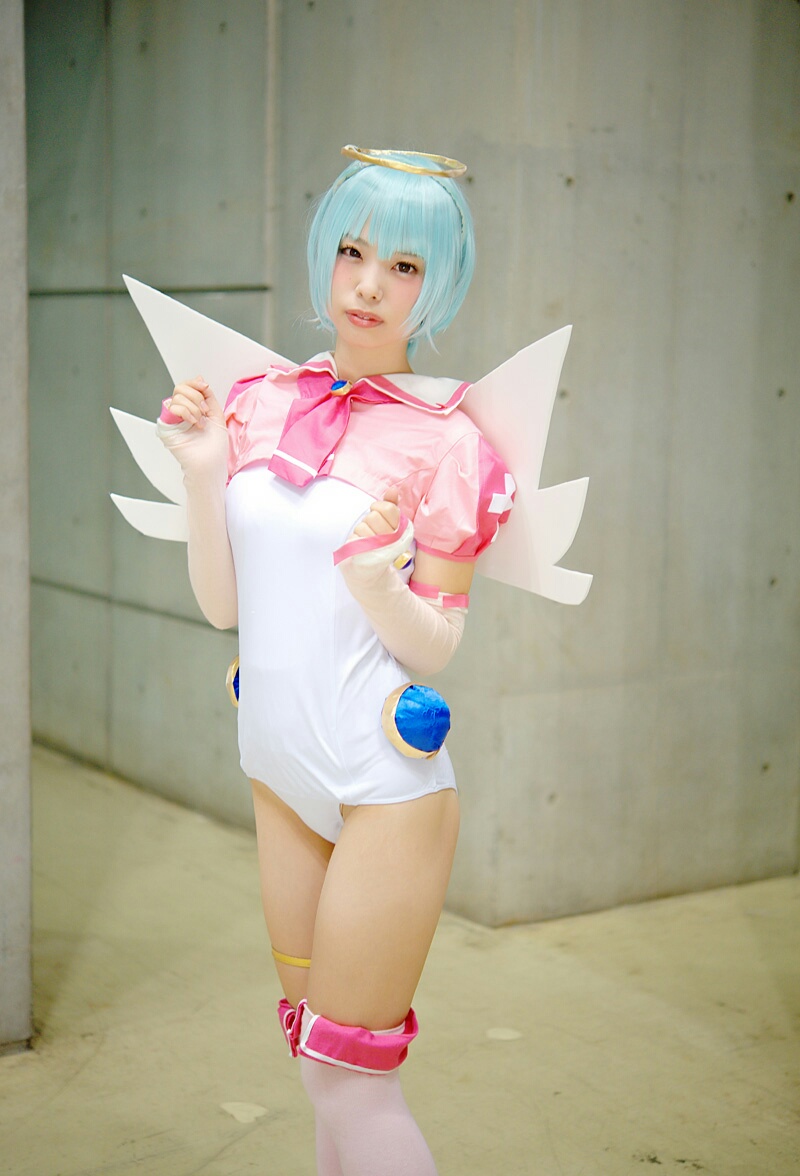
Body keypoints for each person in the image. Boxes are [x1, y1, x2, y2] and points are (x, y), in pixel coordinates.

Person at [155, 145, 514, 1176]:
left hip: (383, 782)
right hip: (276, 768)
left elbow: (439, 641)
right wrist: (203, 473)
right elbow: (226, 607)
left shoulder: (448, 445)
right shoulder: (257, 404)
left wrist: (375, 586)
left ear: (439, 282)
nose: (367, 285)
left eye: (403, 266)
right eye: (353, 252)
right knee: (316, 1060)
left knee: (350, 1081)